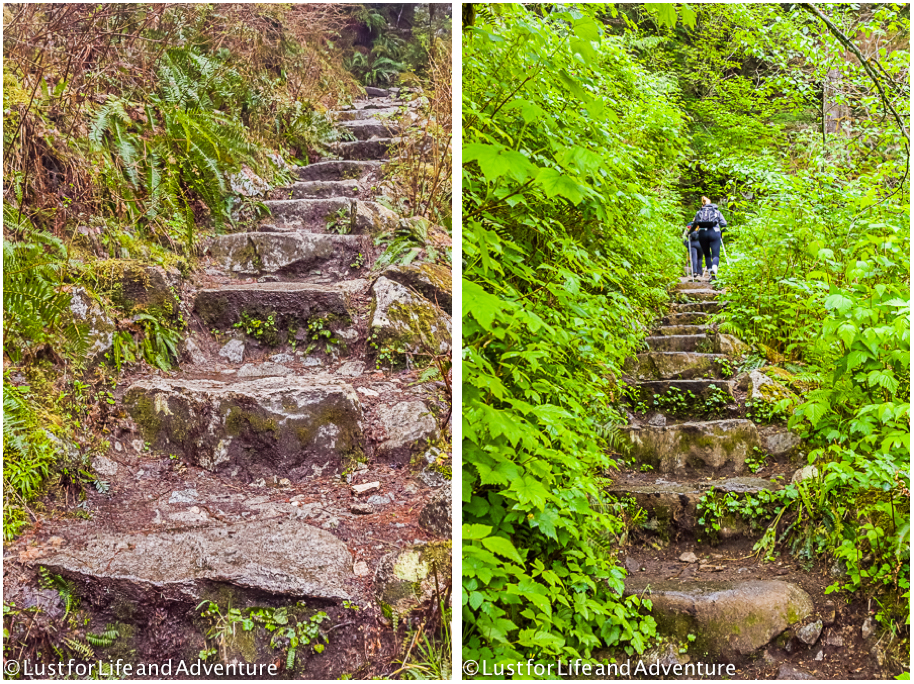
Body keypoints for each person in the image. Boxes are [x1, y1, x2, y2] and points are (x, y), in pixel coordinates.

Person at [692, 196, 727, 280]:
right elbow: (724, 224)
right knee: (715, 254)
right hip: (714, 232)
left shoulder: (699, 212)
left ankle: (710, 271)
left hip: (702, 233)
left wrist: (690, 233)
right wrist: (722, 231)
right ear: (710, 203)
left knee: (707, 254)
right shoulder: (716, 211)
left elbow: (694, 224)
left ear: (703, 204)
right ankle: (714, 270)